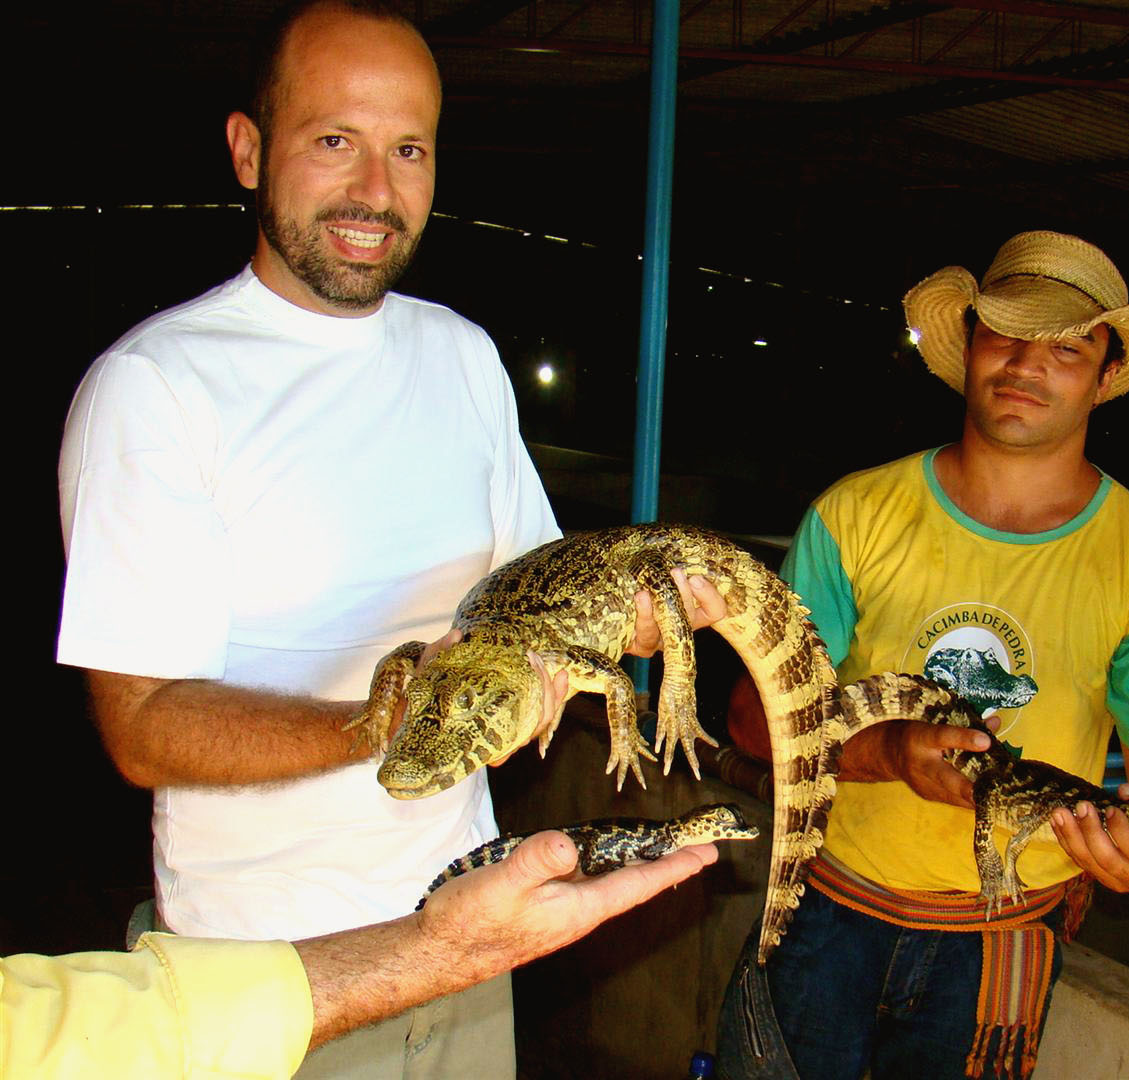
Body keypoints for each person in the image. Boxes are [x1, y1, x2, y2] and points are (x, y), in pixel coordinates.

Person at [54, 2, 722, 1077]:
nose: (376, 191)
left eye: (407, 149)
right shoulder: (156, 388)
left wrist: (655, 610)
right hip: (268, 982)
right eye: (335, 141)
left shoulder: (460, 355)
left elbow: (536, 592)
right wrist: (398, 723)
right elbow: (141, 727)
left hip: (465, 933)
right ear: (246, 149)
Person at [716, 230, 1129, 1080]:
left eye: (1067, 348)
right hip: (823, 905)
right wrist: (884, 752)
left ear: (1105, 377)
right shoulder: (852, 518)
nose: (1027, 364)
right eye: (1006, 334)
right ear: (970, 347)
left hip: (1003, 939)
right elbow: (747, 719)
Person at [3, 829, 717, 1079]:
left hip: (461, 954)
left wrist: (442, 950)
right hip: (245, 942)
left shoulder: (491, 477)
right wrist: (439, 950)